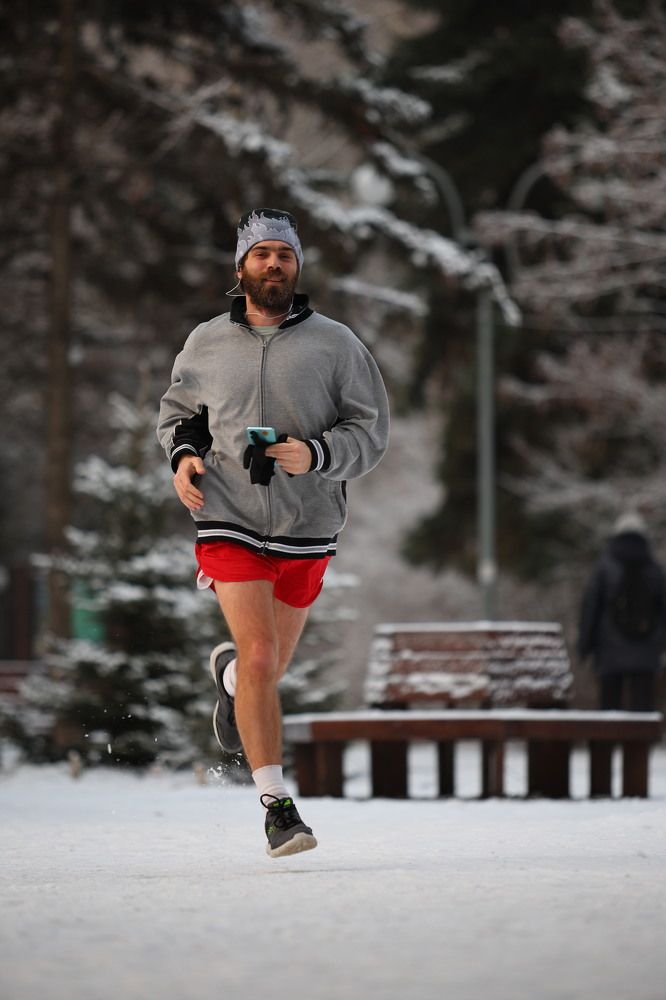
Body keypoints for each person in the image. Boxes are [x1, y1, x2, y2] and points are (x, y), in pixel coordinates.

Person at [157, 208, 390, 857]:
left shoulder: (337, 345)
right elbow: (180, 414)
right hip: (226, 515)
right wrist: (184, 457)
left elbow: (370, 432)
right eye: (261, 254)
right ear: (241, 268)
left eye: (284, 255)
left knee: (266, 667)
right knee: (262, 656)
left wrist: (314, 454)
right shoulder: (206, 342)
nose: (273, 264)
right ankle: (278, 809)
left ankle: (231, 679)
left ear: (297, 268)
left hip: (306, 525)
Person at [578, 512, 666, 712]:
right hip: (647, 651)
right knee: (642, 712)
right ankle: (641, 733)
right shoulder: (655, 568)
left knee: (610, 711)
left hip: (609, 649)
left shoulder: (604, 567)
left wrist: (585, 646)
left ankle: (608, 733)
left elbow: (591, 607)